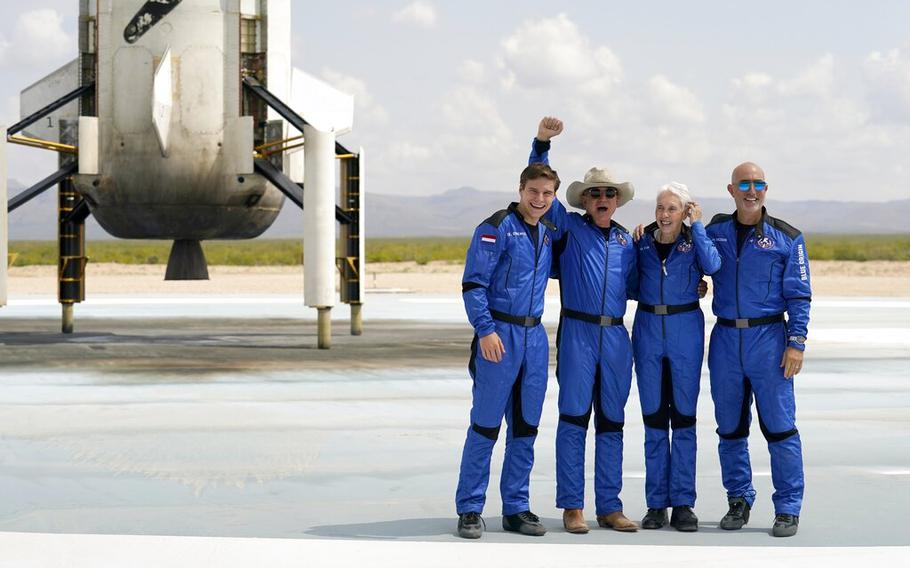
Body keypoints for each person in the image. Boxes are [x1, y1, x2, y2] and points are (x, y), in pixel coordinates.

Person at [531, 117, 640, 534]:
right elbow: (541, 186)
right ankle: (573, 506)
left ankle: (610, 506)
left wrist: (695, 284)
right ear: (584, 199)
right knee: (574, 418)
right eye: (594, 193)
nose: (601, 198)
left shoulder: (629, 242)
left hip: (616, 337)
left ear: (616, 201)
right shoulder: (569, 227)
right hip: (577, 333)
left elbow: (645, 283)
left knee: (612, 421)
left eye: (608, 193)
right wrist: (542, 144)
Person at [705, 162, 811, 537]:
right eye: (744, 184)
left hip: (769, 341)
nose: (752, 191)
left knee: (780, 428)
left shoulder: (787, 237)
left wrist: (796, 343)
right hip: (725, 341)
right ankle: (739, 499)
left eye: (758, 184)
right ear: (731, 190)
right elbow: (687, 253)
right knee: (730, 429)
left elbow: (799, 295)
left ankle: (787, 508)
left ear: (766, 189)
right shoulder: (714, 231)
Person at [455, 162, 560, 539]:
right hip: (498, 335)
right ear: (520, 189)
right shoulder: (496, 227)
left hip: (534, 340)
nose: (539, 199)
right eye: (534, 192)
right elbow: (473, 284)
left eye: (547, 194)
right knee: (485, 425)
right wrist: (485, 330)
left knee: (526, 427)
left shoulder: (548, 232)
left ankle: (516, 507)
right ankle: (470, 508)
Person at [631, 183, 721, 532]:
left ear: (685, 211)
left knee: (683, 418)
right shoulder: (642, 241)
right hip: (648, 330)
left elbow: (713, 265)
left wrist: (697, 227)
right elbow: (628, 284)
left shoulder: (694, 242)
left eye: (672, 209)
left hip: (686, 331)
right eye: (660, 208)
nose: (664, 215)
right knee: (654, 418)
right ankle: (656, 504)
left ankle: (683, 503)